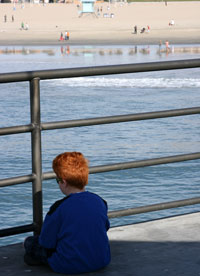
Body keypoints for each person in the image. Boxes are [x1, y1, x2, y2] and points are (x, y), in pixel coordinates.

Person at [24, 152, 111, 274]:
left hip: (67, 265)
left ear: (63, 182)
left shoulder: (58, 208)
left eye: (57, 180)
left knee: (30, 242)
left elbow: (46, 242)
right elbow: (105, 227)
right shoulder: (100, 201)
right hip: (102, 260)